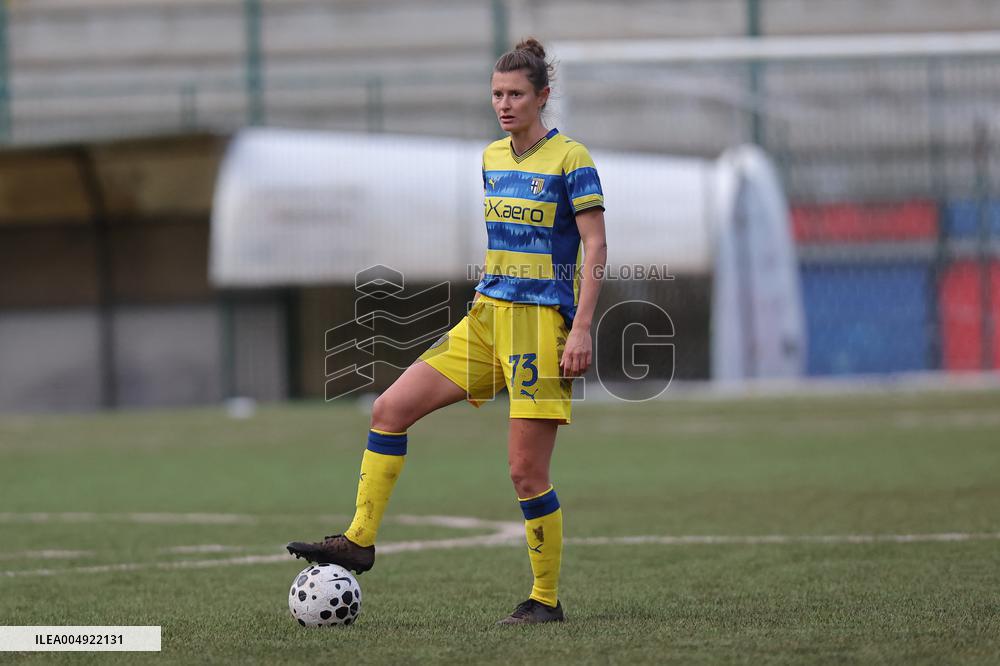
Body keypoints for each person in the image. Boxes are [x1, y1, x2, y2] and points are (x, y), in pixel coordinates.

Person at [287, 37, 607, 625]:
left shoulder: (571, 159)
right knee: (389, 407)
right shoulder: (489, 158)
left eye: (515, 94)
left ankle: (544, 599)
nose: (505, 104)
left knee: (525, 471)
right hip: (486, 318)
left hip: (540, 327)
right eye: (496, 95)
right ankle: (359, 539)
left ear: (543, 96)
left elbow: (595, 243)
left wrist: (582, 324)